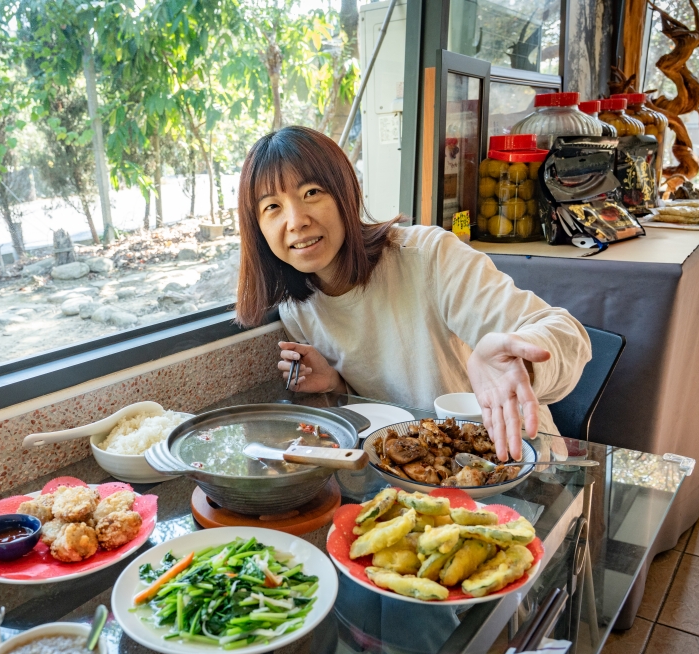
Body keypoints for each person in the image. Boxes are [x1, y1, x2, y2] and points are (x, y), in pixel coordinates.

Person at [234, 126, 592, 461]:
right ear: (258, 229)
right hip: (414, 475)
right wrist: (336, 382)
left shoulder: (428, 256)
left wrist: (521, 366)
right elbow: (383, 404)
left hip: (514, 461)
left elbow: (567, 332)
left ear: (346, 193)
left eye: (311, 193)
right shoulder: (298, 309)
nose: (296, 220)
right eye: (272, 207)